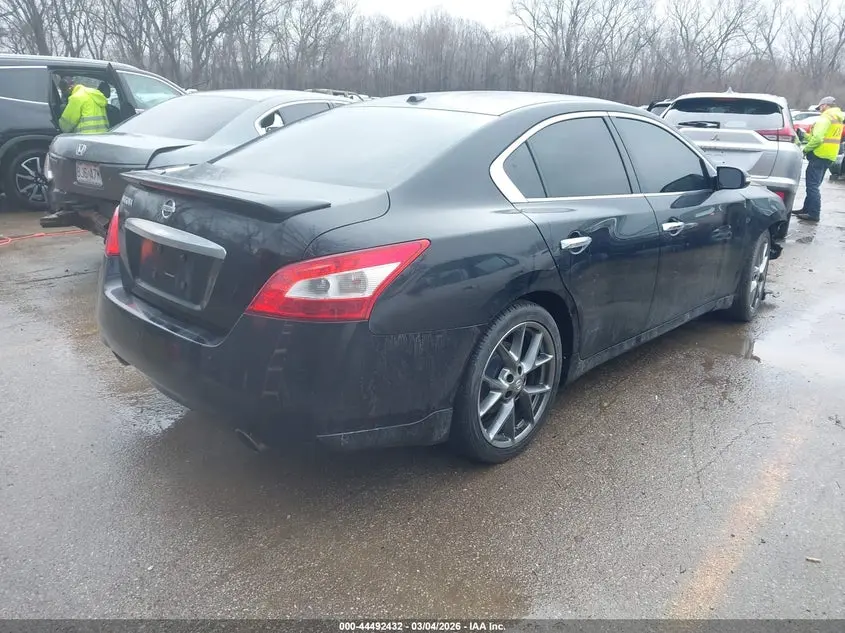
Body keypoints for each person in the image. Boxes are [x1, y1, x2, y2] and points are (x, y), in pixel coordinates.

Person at [795, 96, 844, 223]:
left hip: (818, 154)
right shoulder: (837, 118)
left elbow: (817, 139)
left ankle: (813, 213)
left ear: (826, 105)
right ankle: (806, 209)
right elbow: (820, 137)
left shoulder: (825, 118)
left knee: (812, 186)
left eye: (821, 107)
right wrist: (804, 135)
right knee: (815, 185)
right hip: (829, 155)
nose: (820, 109)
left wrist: (805, 150)